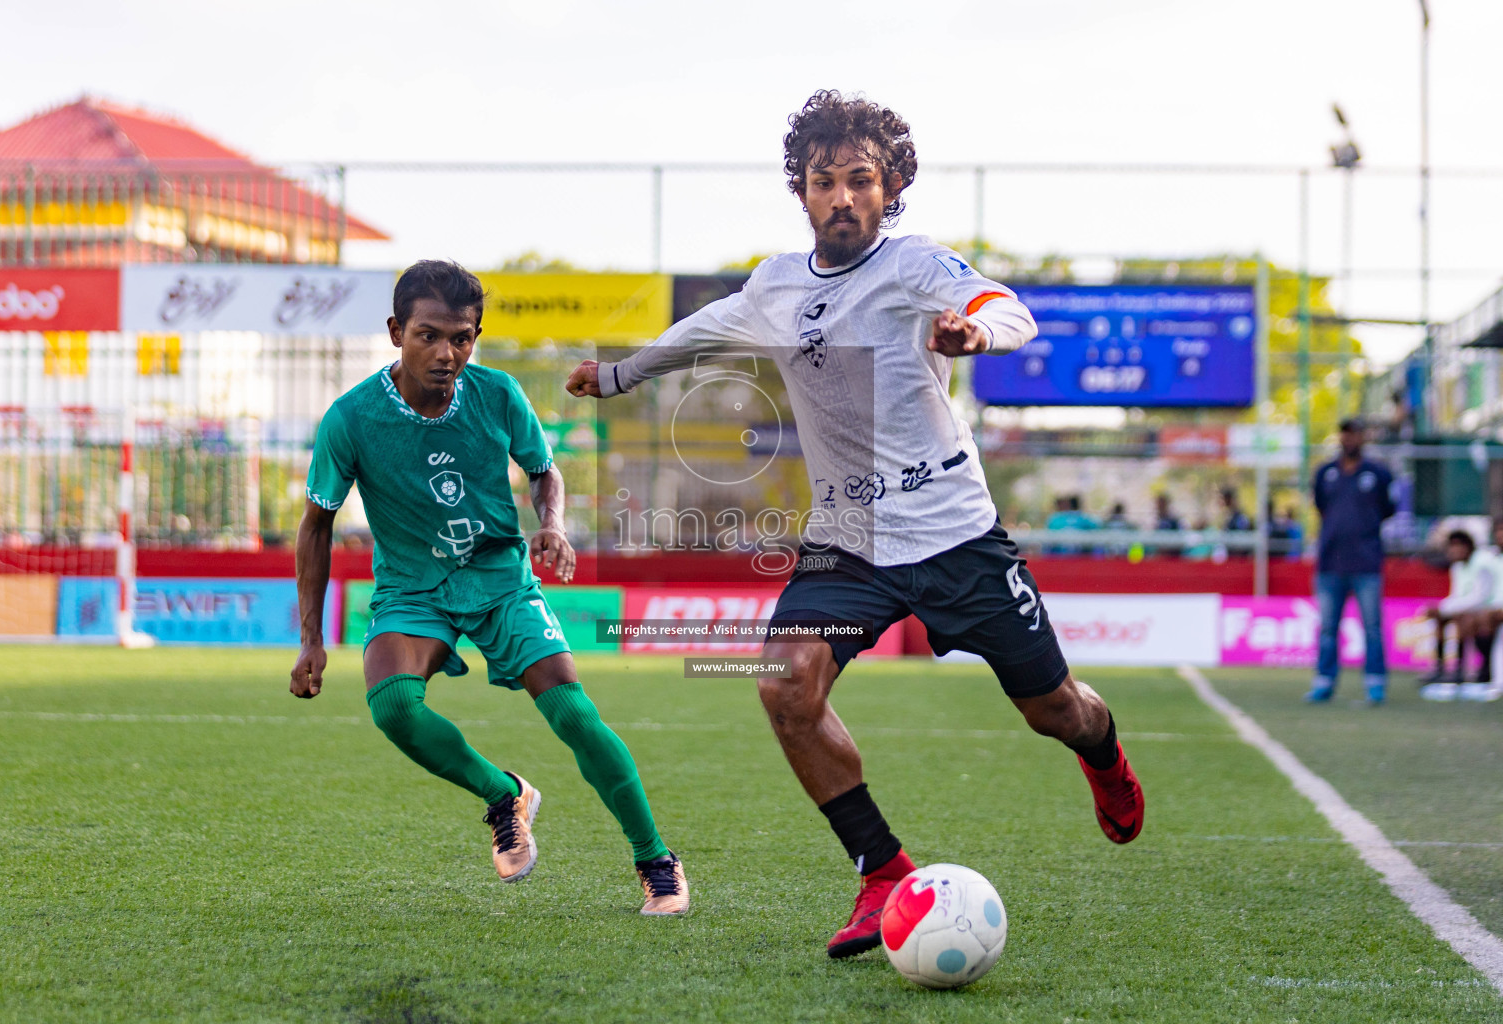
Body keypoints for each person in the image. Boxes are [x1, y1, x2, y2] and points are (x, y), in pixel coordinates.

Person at [566, 90, 1143, 958]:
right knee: (784, 686)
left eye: (860, 181)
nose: (841, 197)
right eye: (823, 181)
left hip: (956, 535)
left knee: (1056, 709)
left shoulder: (912, 266)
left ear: (892, 185)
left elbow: (1005, 306)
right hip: (849, 541)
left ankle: (1104, 755)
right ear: (800, 191)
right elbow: (707, 330)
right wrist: (617, 377)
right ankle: (880, 873)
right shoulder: (777, 284)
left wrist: (974, 338)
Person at [292, 260, 689, 915]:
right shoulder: (351, 419)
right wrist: (311, 639)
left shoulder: (498, 393)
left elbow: (544, 471)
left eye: (462, 337)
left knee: (574, 715)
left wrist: (553, 524)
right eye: (428, 336)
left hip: (501, 580)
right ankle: (502, 793)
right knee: (392, 705)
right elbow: (316, 525)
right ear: (396, 332)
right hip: (412, 590)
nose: (446, 353)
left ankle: (655, 859)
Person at [1306, 418, 1396, 704]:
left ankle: (1375, 683)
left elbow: (1387, 509)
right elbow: (1320, 506)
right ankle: (1324, 681)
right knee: (1329, 628)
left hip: (1366, 563)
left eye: (1355, 433)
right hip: (1330, 561)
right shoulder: (1325, 473)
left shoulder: (1379, 474)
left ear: (1363, 437)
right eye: (1345, 433)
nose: (1350, 439)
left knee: (1372, 627)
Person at [1420, 529, 1498, 695]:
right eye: (1451, 547)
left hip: (1486, 606)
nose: (1454, 551)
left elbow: (1480, 596)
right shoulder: (1456, 565)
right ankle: (1440, 668)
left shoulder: (1482, 563)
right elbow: (1455, 594)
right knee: (1440, 618)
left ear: (1468, 547)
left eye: (1458, 546)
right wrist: (1440, 608)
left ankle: (1464, 669)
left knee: (1463, 618)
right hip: (1468, 607)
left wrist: (1446, 608)